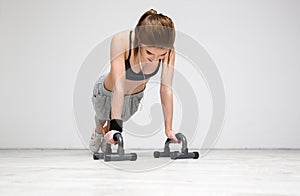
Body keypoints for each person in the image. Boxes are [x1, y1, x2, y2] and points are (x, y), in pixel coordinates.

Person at [89, 9, 179, 153]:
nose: (155, 59)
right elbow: (119, 84)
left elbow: (165, 88)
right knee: (102, 116)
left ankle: (106, 128)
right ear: (139, 41)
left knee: (120, 119)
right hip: (107, 92)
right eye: (149, 52)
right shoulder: (121, 41)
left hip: (132, 99)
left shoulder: (169, 52)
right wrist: (116, 128)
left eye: (161, 55)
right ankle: (99, 129)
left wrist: (169, 130)